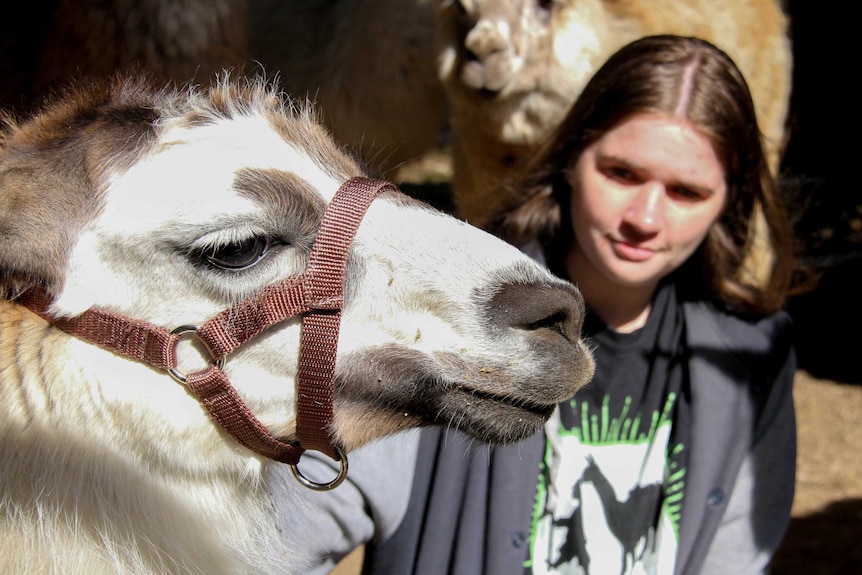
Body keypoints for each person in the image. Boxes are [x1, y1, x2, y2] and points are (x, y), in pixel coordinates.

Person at [278, 34, 804, 575]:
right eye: (622, 173)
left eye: (685, 193)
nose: (645, 219)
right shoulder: (443, 321)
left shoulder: (752, 358)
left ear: (728, 201)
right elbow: (276, 541)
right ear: (573, 158)